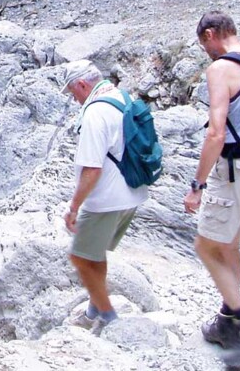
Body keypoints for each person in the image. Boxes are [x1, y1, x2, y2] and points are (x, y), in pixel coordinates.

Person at [183, 11, 240, 360]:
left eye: (203, 43)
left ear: (210, 34)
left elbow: (216, 132)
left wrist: (198, 184)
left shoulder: (220, 68)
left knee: (206, 247)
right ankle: (228, 321)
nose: (205, 51)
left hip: (233, 171)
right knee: (229, 245)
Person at [61, 60, 148, 334]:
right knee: (95, 253)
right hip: (131, 193)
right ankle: (94, 307)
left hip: (106, 199)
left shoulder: (95, 113)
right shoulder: (120, 96)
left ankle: (107, 318)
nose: (74, 99)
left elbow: (91, 168)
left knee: (81, 257)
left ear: (83, 85)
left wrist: (74, 206)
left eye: (73, 92)